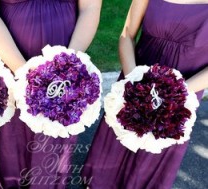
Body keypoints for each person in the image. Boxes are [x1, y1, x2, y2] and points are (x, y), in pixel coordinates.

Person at [0, 0, 102, 188]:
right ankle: (15, 181)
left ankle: (50, 182)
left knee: (56, 124)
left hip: (66, 53)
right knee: (14, 129)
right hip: (11, 54)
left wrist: (67, 65)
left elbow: (90, 7)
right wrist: (25, 75)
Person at [82, 0, 208, 188]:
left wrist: (173, 93)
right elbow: (127, 35)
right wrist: (134, 82)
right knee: (115, 144)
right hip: (135, 82)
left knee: (151, 155)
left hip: (180, 96)